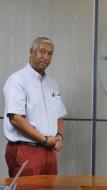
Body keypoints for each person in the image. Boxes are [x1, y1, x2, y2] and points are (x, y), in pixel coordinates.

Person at [3, 37, 67, 177]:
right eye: (42, 52)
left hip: (50, 151)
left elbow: (60, 116)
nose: (46, 57)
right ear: (31, 52)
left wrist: (59, 137)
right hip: (26, 150)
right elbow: (16, 119)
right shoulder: (17, 80)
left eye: (50, 53)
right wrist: (43, 139)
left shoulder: (52, 83)